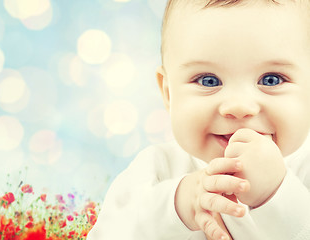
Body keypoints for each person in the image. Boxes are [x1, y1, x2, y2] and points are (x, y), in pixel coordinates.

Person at [87, 0, 310, 239]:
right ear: (169, 94)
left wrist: (277, 193)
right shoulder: (157, 169)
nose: (238, 107)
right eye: (208, 81)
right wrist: (177, 206)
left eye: (271, 80)